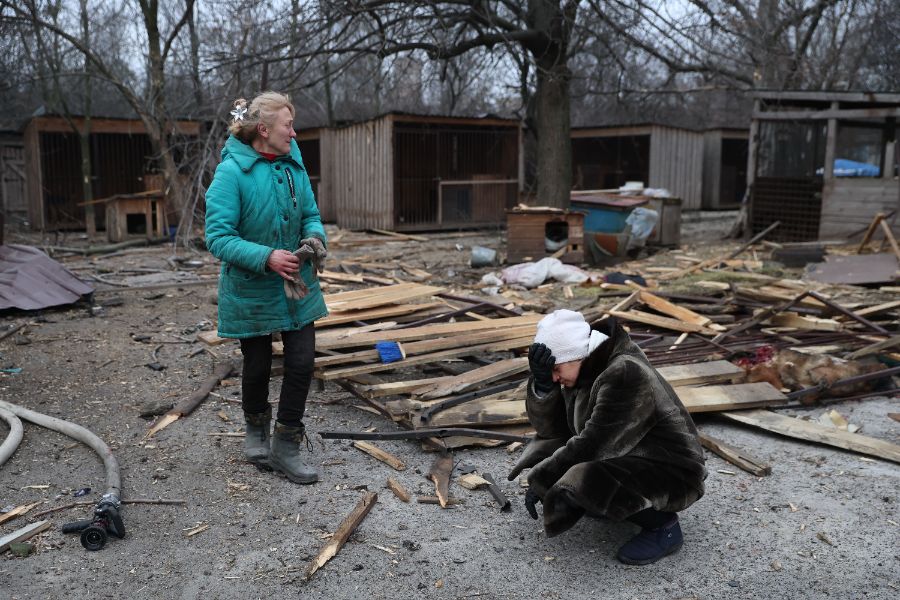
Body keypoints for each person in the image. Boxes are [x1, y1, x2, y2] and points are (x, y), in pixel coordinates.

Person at [508, 309, 707, 565]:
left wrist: (544, 480)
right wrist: (544, 386)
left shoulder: (624, 373)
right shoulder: (584, 368)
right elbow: (552, 432)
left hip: (672, 470)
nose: (555, 377)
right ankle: (609, 503)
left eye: (556, 369)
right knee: (548, 450)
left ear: (575, 355)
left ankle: (664, 528)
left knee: (584, 478)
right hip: (628, 453)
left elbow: (595, 445)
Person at [205, 91, 327, 485]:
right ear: (263, 130)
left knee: (301, 361)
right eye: (287, 126)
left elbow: (311, 214)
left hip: (296, 283)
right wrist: (267, 257)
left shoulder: (294, 166)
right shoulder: (231, 173)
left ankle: (286, 444)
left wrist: (314, 238)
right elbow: (218, 237)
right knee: (256, 365)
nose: (293, 132)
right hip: (251, 287)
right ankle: (256, 429)